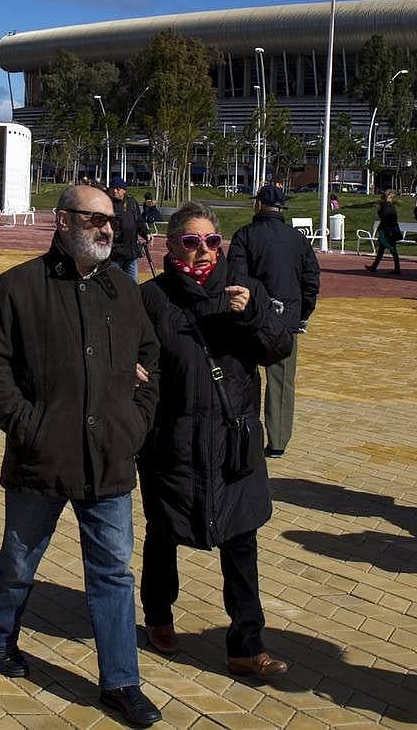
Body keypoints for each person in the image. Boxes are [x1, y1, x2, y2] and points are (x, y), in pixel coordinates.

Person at [0, 184, 162, 728]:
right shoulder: (18, 287)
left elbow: (151, 361)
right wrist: (27, 425)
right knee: (20, 559)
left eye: (111, 221)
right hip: (40, 460)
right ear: (62, 221)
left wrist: (135, 423)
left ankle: (121, 683)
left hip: (110, 462)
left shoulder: (123, 292)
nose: (107, 229)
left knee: (113, 574)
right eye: (95, 219)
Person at [137, 202, 293, 679]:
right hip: (173, 442)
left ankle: (246, 644)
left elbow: (279, 347)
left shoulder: (245, 291)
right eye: (190, 241)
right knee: (164, 535)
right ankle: (159, 616)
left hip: (233, 441)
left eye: (209, 241)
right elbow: (134, 355)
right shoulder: (152, 298)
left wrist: (252, 318)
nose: (202, 251)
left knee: (241, 542)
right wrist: (131, 372)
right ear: (171, 245)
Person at [228, 184, 319, 457]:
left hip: (252, 316)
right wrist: (302, 314)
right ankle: (278, 441)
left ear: (258, 205)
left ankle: (248, 433)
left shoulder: (244, 235)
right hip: (285, 321)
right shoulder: (298, 239)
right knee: (281, 383)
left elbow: (236, 278)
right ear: (281, 208)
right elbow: (311, 280)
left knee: (246, 377)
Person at [106, 177, 149, 282]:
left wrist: (146, 234)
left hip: (131, 253)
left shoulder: (131, 202)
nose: (114, 191)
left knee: (133, 284)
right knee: (113, 283)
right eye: (112, 188)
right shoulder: (106, 203)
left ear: (124, 190)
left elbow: (139, 221)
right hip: (114, 254)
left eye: (117, 188)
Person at [366, 189, 404, 274]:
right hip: (391, 229)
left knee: (391, 249)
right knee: (385, 249)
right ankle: (375, 267)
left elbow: (384, 218)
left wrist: (379, 211)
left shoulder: (384, 206)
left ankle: (396, 269)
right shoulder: (391, 206)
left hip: (386, 230)